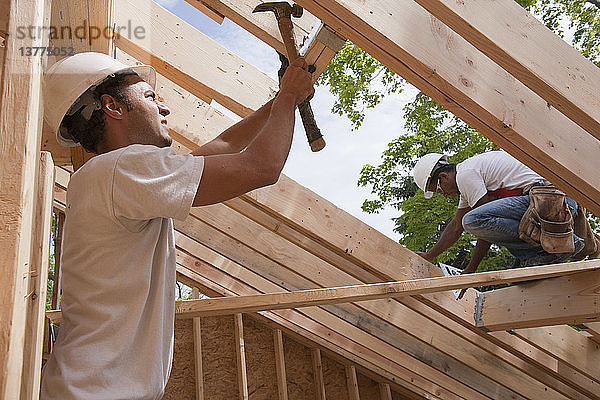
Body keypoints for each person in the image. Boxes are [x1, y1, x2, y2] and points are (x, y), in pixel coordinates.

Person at [40, 52, 314, 399]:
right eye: (151, 97)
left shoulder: (109, 177)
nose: (165, 109)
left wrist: (277, 101)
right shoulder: (122, 169)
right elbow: (262, 167)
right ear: (113, 107)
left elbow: (224, 147)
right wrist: (289, 99)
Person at [412, 151, 584, 274]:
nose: (445, 195)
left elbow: (481, 225)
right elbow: (456, 226)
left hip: (553, 203)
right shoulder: (469, 181)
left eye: (440, 190)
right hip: (554, 205)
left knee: (473, 220)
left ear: (443, 177)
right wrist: (430, 255)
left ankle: (562, 243)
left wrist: (471, 268)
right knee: (519, 276)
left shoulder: (466, 175)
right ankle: (543, 252)